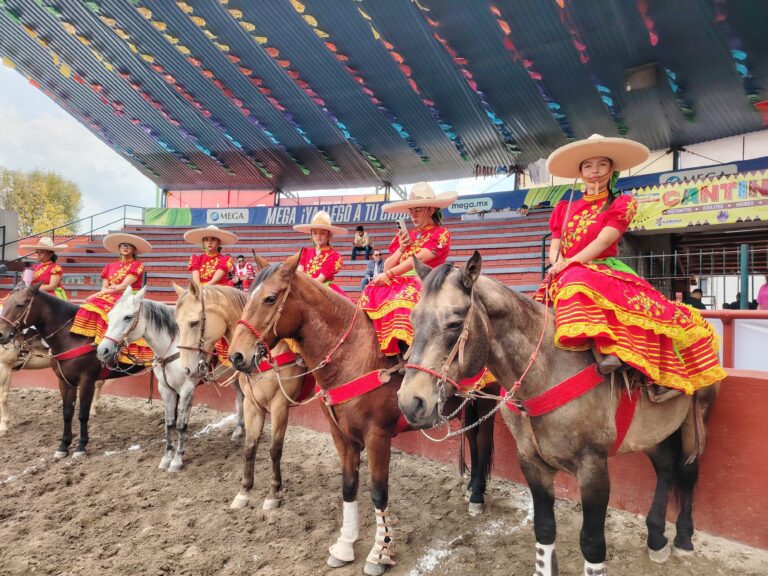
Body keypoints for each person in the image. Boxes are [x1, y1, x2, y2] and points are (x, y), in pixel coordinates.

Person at [538, 134, 725, 399]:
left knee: (578, 280)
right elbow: (555, 244)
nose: (595, 171)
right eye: (588, 165)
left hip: (598, 268)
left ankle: (617, 354)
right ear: (579, 172)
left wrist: (570, 263)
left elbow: (604, 241)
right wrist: (557, 262)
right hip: (566, 270)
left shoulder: (621, 204)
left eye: (602, 165)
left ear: (611, 169)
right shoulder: (563, 208)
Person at [360, 182, 456, 355]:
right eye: (411, 211)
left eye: (417, 210)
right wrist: (401, 248)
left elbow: (418, 260)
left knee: (403, 301)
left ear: (430, 210)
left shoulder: (440, 234)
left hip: (426, 281)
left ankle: (411, 354)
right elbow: (388, 264)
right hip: (399, 280)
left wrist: (388, 274)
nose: (413, 215)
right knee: (371, 291)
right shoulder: (407, 235)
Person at [70, 232, 154, 364]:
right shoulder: (110, 266)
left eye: (129, 246)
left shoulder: (137, 265)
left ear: (133, 249)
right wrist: (100, 294)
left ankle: (115, 346)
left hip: (127, 296)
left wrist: (97, 294)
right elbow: (105, 287)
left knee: (108, 309)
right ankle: (95, 339)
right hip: (110, 294)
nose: (125, 247)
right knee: (90, 305)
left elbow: (123, 286)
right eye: (122, 245)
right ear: (119, 248)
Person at [293, 211, 348, 298]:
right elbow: (299, 272)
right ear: (311, 235)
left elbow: (320, 279)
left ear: (329, 235)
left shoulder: (333, 256)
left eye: (322, 233)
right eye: (315, 233)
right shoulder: (305, 252)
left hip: (323, 289)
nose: (318, 236)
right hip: (304, 286)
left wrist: (304, 287)